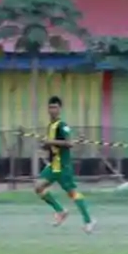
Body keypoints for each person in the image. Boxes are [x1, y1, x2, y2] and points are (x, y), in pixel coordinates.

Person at [34, 96, 95, 233]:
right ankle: (60, 211)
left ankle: (88, 221)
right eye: (50, 107)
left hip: (63, 166)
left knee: (72, 193)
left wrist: (51, 142)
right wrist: (44, 146)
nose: (52, 110)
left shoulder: (63, 125)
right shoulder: (50, 126)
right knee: (38, 187)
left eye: (55, 107)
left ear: (60, 109)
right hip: (53, 165)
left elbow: (69, 143)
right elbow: (53, 145)